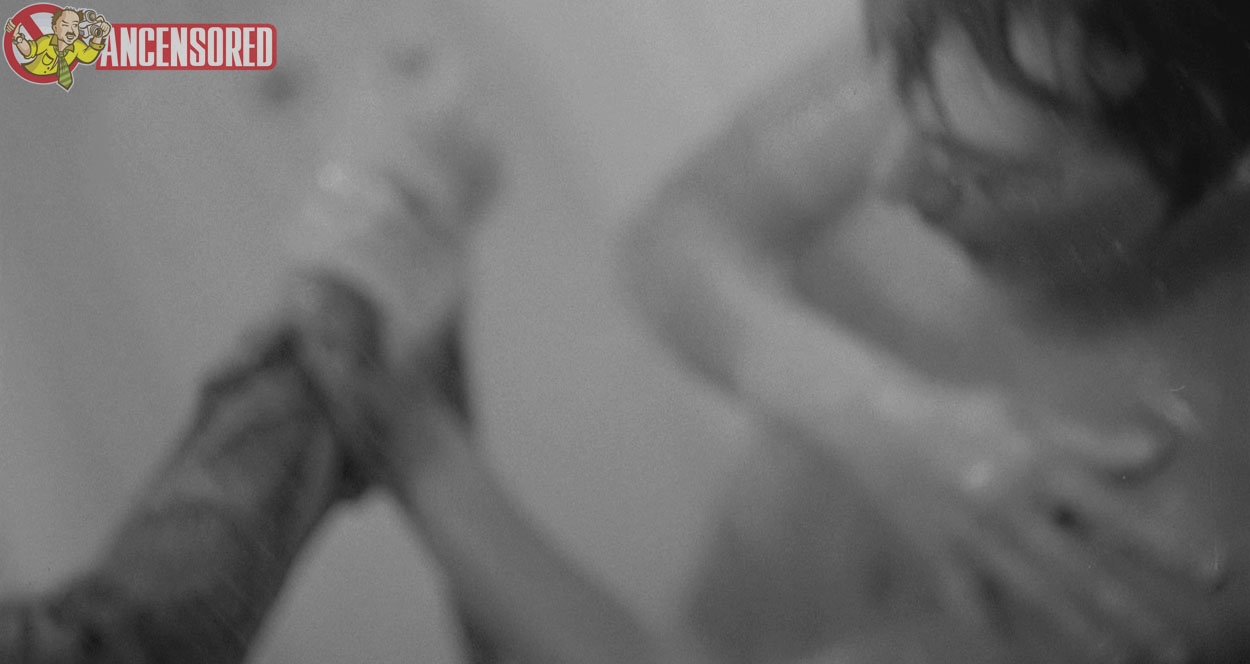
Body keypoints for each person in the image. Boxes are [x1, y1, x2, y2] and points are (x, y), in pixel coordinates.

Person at [614, 0, 1250, 661]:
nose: (888, 180)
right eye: (891, 94)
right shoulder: (992, 42)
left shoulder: (1199, 482)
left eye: (983, 174)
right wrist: (873, 418)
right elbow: (679, 235)